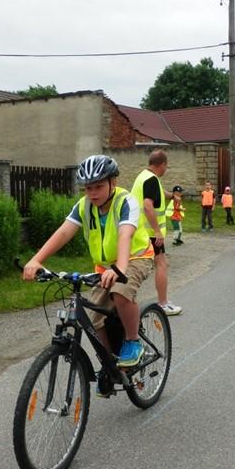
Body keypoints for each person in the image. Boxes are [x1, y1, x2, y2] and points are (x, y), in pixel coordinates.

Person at [22, 155, 154, 373]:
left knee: (121, 291)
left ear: (114, 182)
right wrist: (37, 259)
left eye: (99, 187)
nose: (92, 193)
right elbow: (64, 232)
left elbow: (125, 235)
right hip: (104, 267)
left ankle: (132, 342)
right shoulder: (84, 206)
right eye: (88, 188)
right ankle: (109, 363)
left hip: (134, 258)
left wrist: (120, 268)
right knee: (94, 318)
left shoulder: (126, 201)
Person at [131, 150, 182, 316]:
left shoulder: (145, 176)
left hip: (138, 231)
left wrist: (172, 196)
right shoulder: (152, 180)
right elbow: (147, 205)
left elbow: (159, 192)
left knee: (131, 266)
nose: (166, 169)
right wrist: (157, 231)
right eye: (167, 166)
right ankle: (163, 303)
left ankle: (124, 301)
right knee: (161, 264)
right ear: (163, 165)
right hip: (149, 233)